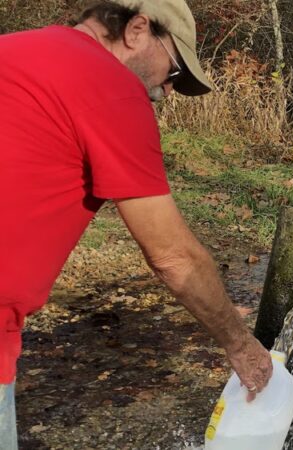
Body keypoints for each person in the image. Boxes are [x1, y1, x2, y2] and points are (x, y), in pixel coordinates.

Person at [0, 1, 274, 447]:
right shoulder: (108, 85)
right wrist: (241, 346)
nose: (168, 90)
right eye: (175, 72)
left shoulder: (14, 50)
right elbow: (174, 258)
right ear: (137, 29)